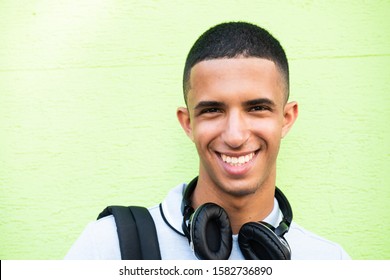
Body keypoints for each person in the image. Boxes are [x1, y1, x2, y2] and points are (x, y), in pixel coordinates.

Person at [65, 21, 350, 260]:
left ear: (286, 118)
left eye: (257, 108)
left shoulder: (329, 261)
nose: (235, 136)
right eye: (213, 110)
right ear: (187, 123)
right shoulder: (107, 247)